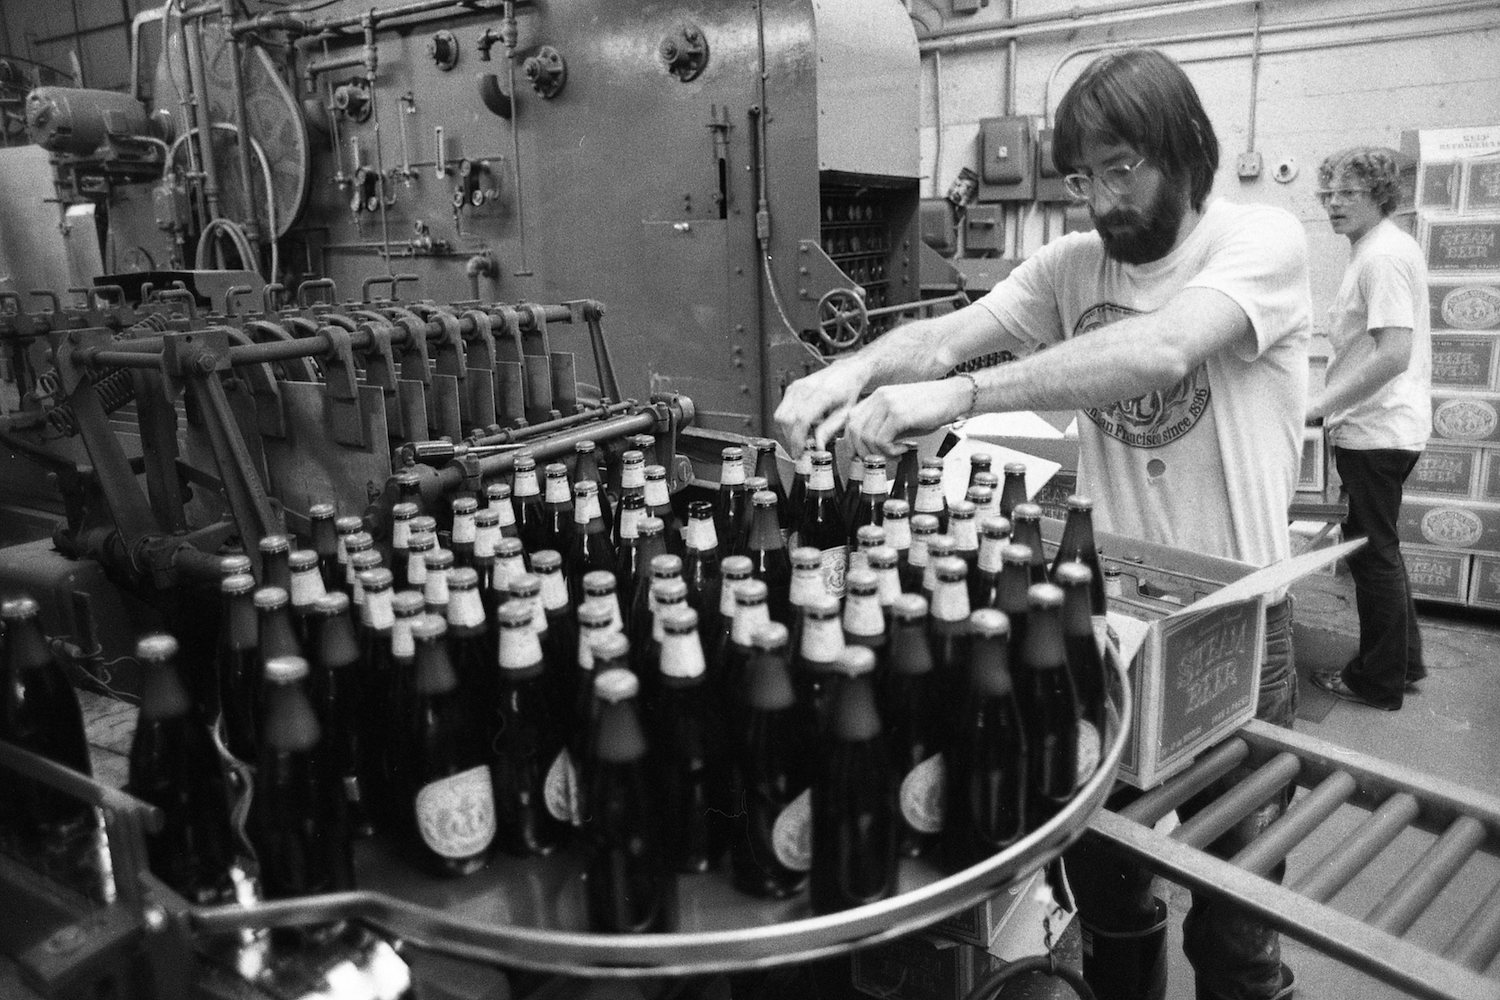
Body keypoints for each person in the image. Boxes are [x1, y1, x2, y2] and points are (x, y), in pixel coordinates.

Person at [775, 47, 1310, 1000]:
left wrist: (961, 397)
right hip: (1110, 624)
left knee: (1238, 927)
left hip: (1239, 623)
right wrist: (850, 371)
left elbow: (1161, 350)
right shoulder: (1071, 264)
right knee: (1111, 895)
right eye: (1081, 178)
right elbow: (946, 334)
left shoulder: (1259, 241)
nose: (1101, 201)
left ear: (1186, 147)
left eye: (1121, 169)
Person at [1307, 147, 1430, 711]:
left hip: (1377, 430)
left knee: (1371, 554)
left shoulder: (1382, 256)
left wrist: (1320, 405)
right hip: (1382, 426)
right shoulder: (1377, 249)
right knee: (1381, 549)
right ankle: (1404, 663)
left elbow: (1393, 354)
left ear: (1380, 196)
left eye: (1348, 193)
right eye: (1328, 193)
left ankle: (1376, 680)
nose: (1334, 204)